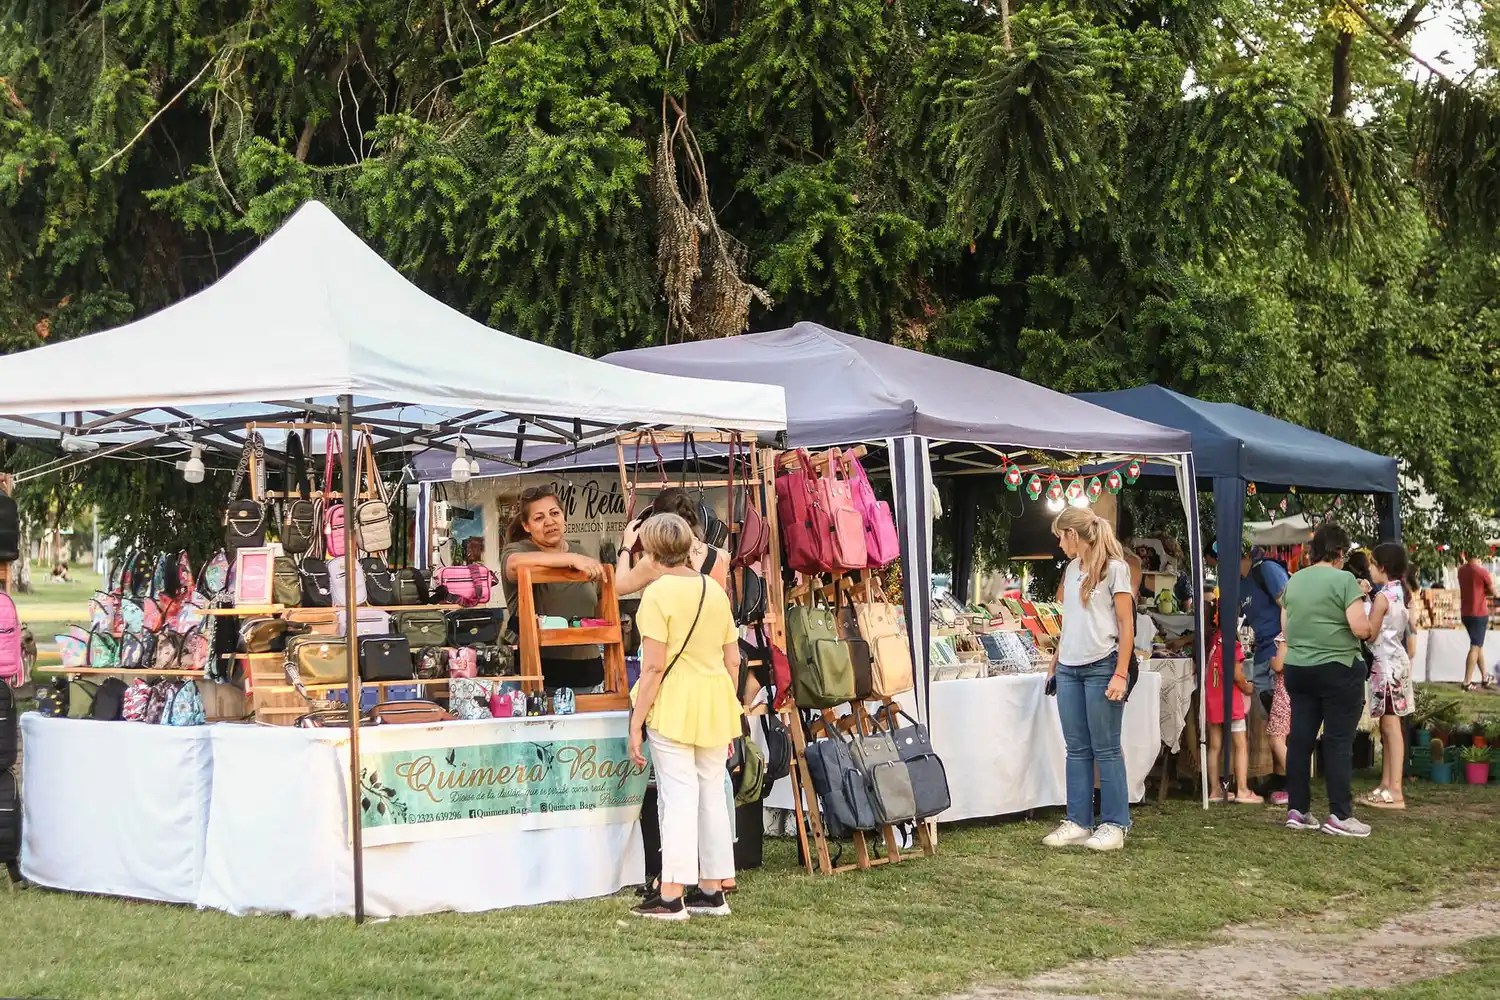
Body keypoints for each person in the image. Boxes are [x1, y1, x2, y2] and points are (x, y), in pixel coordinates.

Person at [626, 514, 741, 920]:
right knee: (710, 792)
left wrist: (635, 721)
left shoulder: (656, 595)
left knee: (678, 797)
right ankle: (712, 888)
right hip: (715, 699)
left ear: (650, 550)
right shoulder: (714, 588)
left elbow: (653, 668)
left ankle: (672, 893)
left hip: (674, 701)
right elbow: (733, 659)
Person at [1042, 507, 1136, 853]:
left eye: (1061, 537)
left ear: (1073, 535)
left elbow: (1127, 625)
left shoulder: (1116, 571)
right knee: (1077, 748)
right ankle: (1078, 821)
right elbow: (1070, 624)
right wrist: (1055, 663)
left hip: (1102, 666)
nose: (1059, 544)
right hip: (1069, 666)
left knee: (1106, 748)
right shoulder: (1071, 569)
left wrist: (1121, 672)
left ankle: (1115, 823)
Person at [1279, 522, 1373, 838]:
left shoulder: (1294, 580)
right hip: (1339, 667)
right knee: (1337, 741)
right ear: (1339, 552)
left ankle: (1298, 809)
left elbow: (1287, 627)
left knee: (1300, 739)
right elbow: (1360, 628)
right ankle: (1340, 815)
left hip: (1298, 668)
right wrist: (1369, 615)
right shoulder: (1345, 580)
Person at [501, 484, 606, 692]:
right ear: (526, 526)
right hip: (537, 678)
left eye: (554, 513)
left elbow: (603, 594)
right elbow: (514, 565)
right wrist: (570, 559)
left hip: (587, 673)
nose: (549, 522)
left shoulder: (580, 551)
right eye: (539, 518)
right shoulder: (519, 550)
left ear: (563, 516)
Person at [1365, 542, 1412, 810]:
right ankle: (1386, 784)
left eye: (1372, 563)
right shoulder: (1398, 593)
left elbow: (1370, 633)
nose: (1370, 568)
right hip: (1396, 663)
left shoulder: (1383, 597)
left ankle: (1395, 790)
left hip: (1387, 667)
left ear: (1382, 567)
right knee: (1386, 726)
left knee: (1391, 728)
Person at [615, 487, 730, 595]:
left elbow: (619, 587)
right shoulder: (721, 557)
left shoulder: (655, 562)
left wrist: (627, 545)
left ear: (658, 522)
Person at [1205, 627, 1262, 804]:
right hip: (1231, 700)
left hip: (1212, 698)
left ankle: (1214, 789)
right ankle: (1242, 790)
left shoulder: (1213, 640)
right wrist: (1248, 687)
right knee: (1241, 745)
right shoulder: (1232, 644)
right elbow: (1237, 675)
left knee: (1214, 746)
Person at [1240, 545, 1290, 713]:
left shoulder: (1266, 569)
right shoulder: (1239, 584)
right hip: (1261, 657)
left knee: (1282, 724)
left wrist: (1284, 649)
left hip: (1279, 655)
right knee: (1269, 724)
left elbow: (1291, 608)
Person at [1457, 554, 1494, 691]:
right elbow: (1493, 592)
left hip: (1466, 613)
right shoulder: (1482, 572)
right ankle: (1466, 681)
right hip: (1479, 613)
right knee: (1475, 646)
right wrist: (1484, 591)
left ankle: (1485, 676)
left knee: (1478, 646)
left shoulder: (1461, 570)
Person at [1264, 632, 1290, 806]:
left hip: (1283, 692)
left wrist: (1271, 660)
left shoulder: (1286, 635)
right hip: (1298, 691)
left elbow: (1279, 665)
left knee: (1276, 738)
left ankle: (1296, 783)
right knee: (1287, 738)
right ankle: (1283, 783)